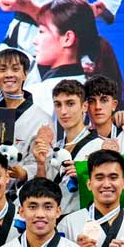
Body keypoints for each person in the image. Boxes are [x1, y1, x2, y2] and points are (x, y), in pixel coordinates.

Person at [0, 0, 124, 55]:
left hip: (73, 30)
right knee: (22, 89)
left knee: (74, 89)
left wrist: (104, 4)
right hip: (25, 33)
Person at [58, 149, 124, 247]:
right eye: (99, 178)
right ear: (89, 184)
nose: (106, 184)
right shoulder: (69, 223)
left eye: (113, 177)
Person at [33, 79, 100, 217]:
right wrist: (40, 164)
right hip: (53, 223)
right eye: (58, 104)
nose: (63, 111)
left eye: (70, 104)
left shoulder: (99, 147)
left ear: (84, 106)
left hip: (84, 222)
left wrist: (83, 174)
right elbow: (41, 192)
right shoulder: (53, 149)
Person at [0, 48, 54, 185]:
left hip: (19, 196)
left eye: (15, 69)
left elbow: (44, 162)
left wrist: (24, 173)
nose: (8, 75)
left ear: (25, 74)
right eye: (2, 70)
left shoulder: (41, 118)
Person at [27, 0, 99, 115]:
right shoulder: (99, 95)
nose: (35, 40)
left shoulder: (36, 95)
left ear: (67, 38)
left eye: (41, 32)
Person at [84, 74, 124, 152]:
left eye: (104, 100)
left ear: (114, 105)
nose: (98, 107)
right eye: (91, 101)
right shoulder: (77, 143)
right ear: (85, 106)